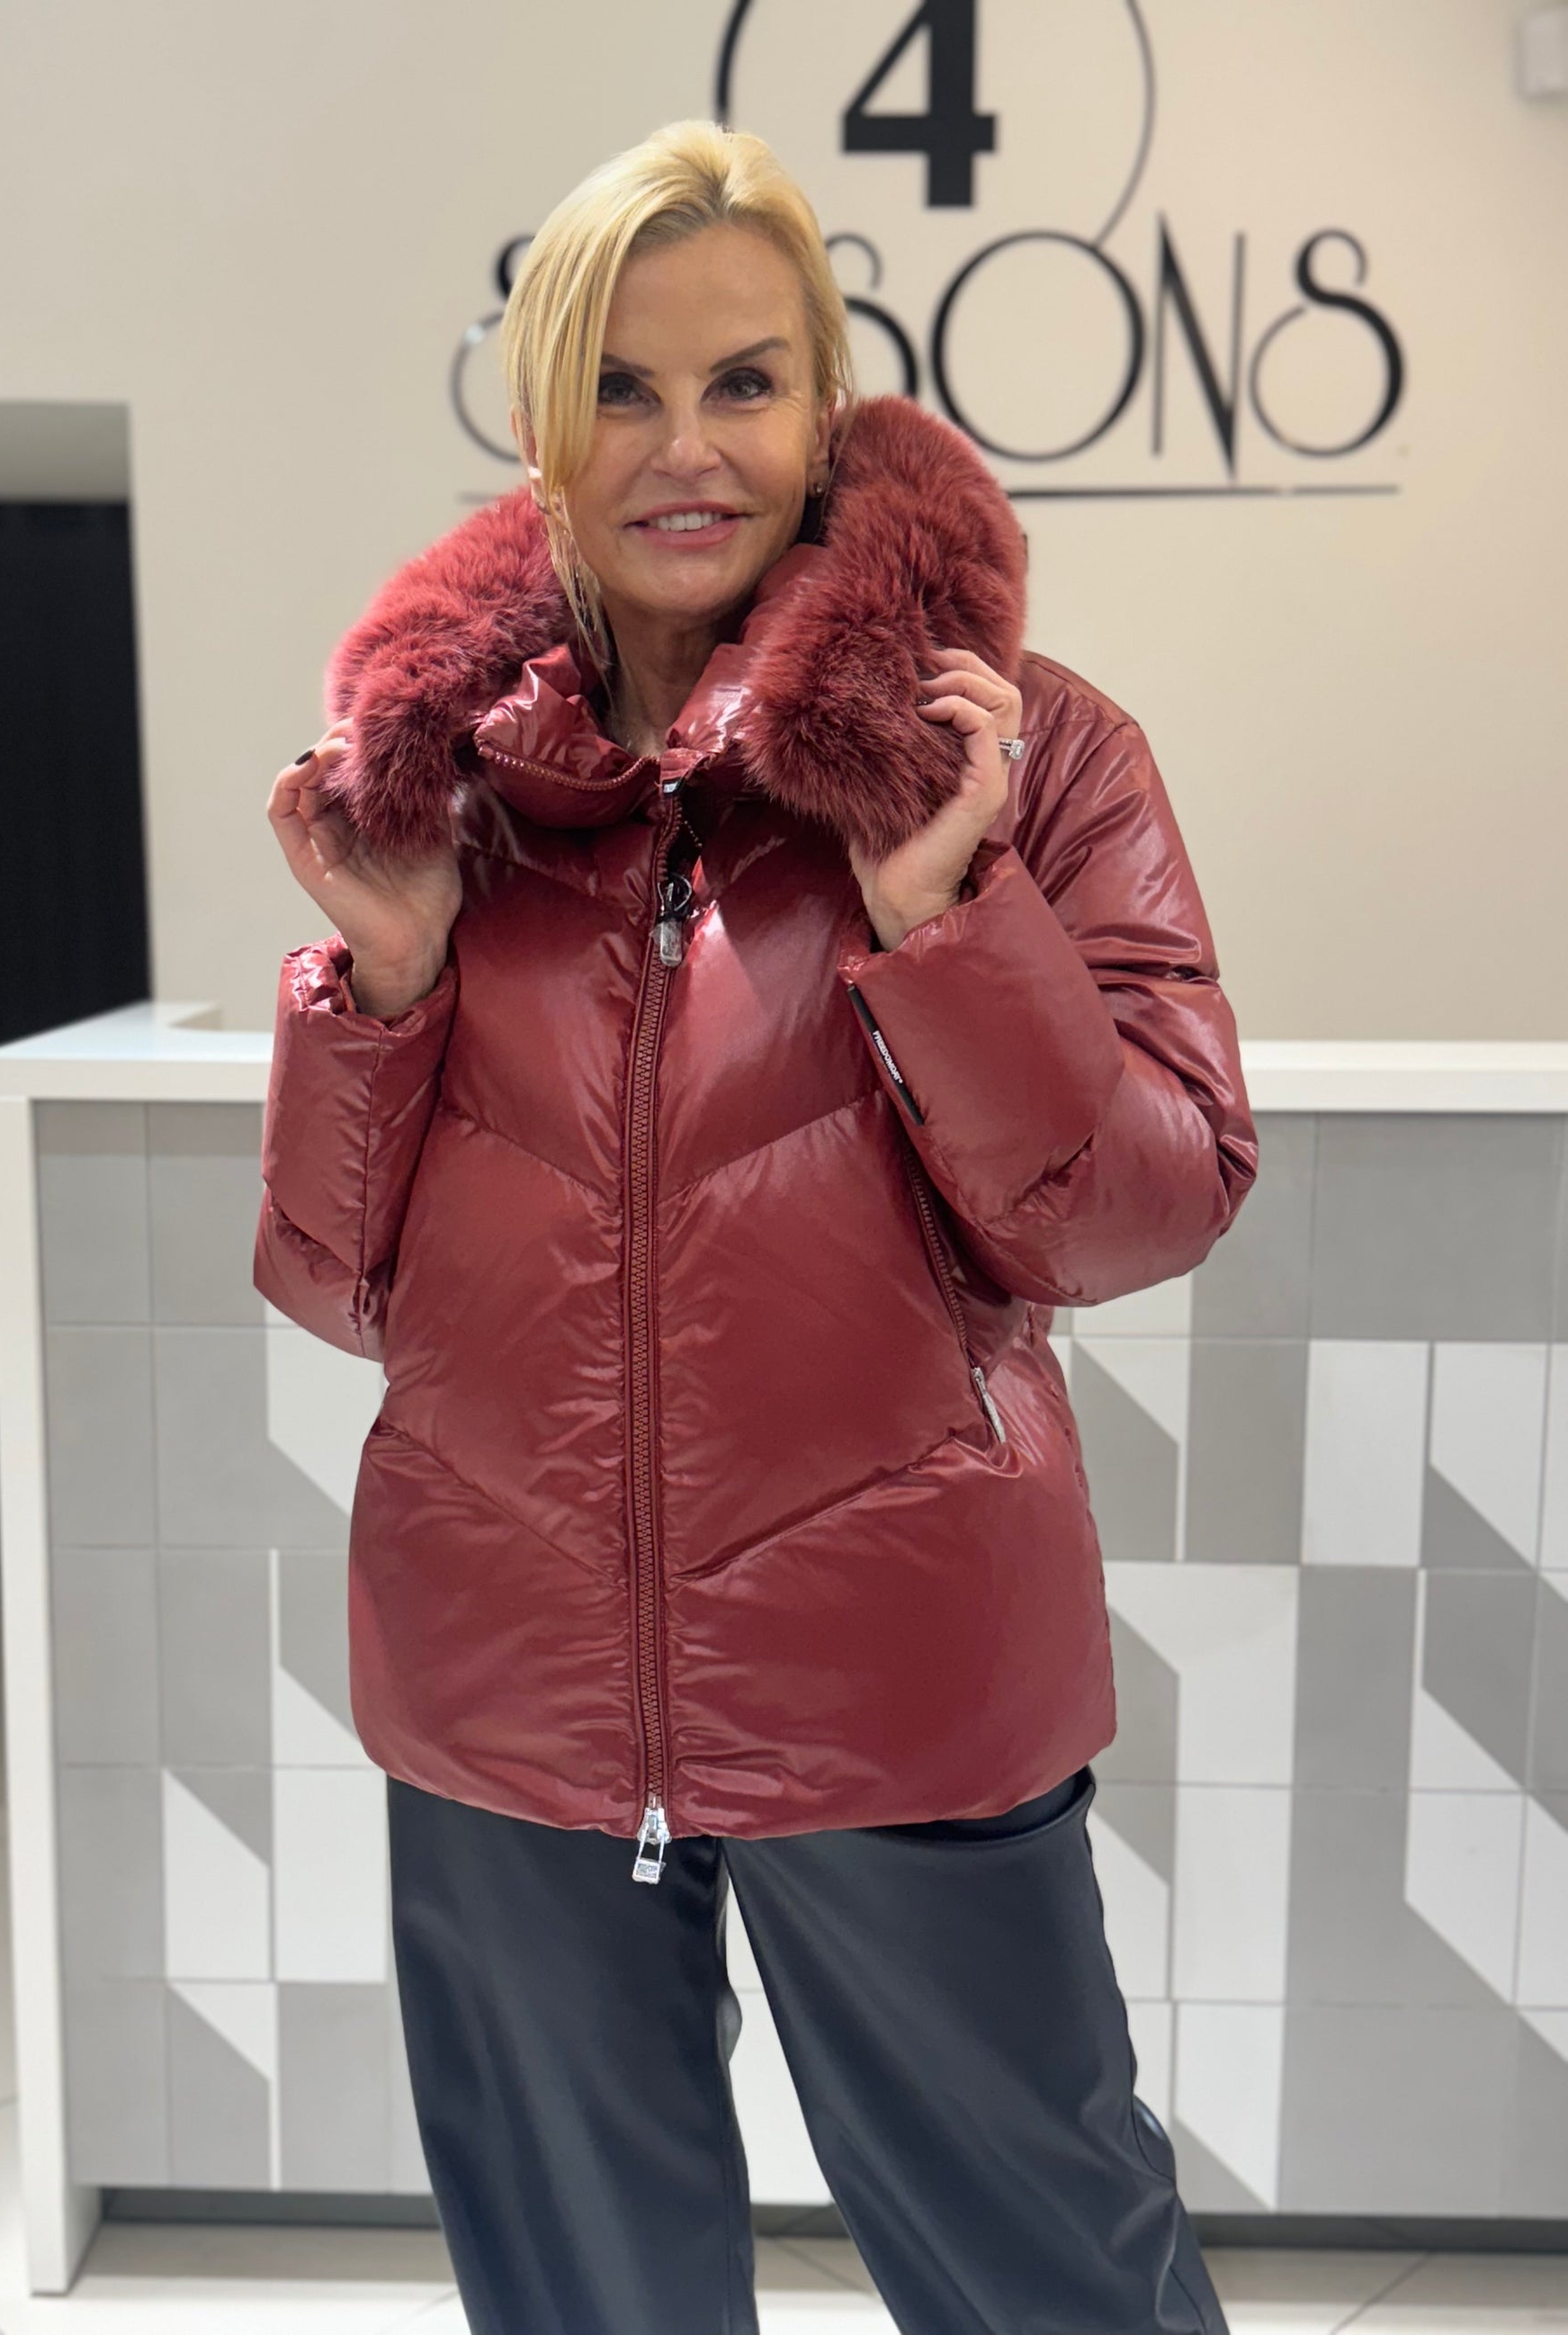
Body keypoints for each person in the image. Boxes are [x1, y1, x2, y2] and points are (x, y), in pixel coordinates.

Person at [256, 118, 1255, 2335]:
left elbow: (1141, 1211)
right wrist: (385, 979)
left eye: (742, 380)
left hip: (894, 1669)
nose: (686, 445)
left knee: (1049, 2277)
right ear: (543, 423)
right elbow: (336, 1285)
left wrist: (944, 909)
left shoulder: (1024, 755)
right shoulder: (439, 793)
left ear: (826, 407)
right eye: (621, 386)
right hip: (509, 1684)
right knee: (581, 2294)